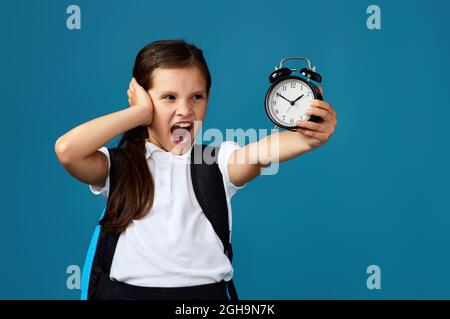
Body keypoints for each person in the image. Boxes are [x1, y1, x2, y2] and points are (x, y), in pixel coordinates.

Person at [54, 39, 338, 300]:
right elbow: (68, 150)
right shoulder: (119, 166)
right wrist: (138, 114)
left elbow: (263, 151)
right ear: (143, 98)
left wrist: (310, 135)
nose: (185, 110)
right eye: (168, 97)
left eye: (196, 97)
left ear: (208, 98)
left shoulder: (218, 163)